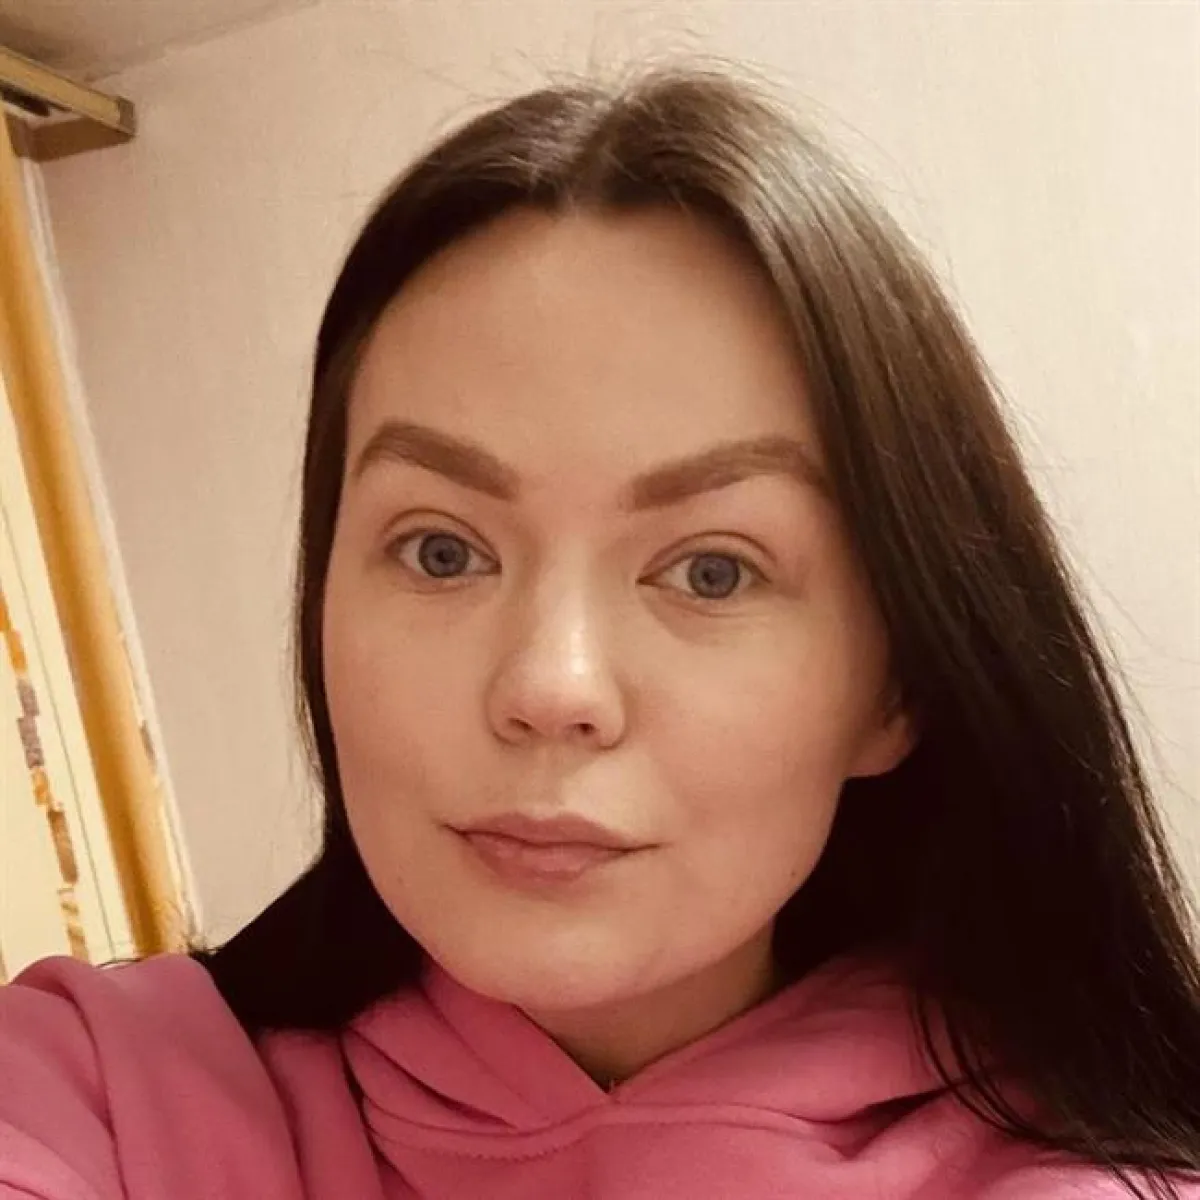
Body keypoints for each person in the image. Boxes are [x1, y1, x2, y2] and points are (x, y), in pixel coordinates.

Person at [1, 66, 1198, 1200]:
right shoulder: (90, 1095)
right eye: (441, 550)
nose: (550, 685)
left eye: (713, 570)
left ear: (896, 687)